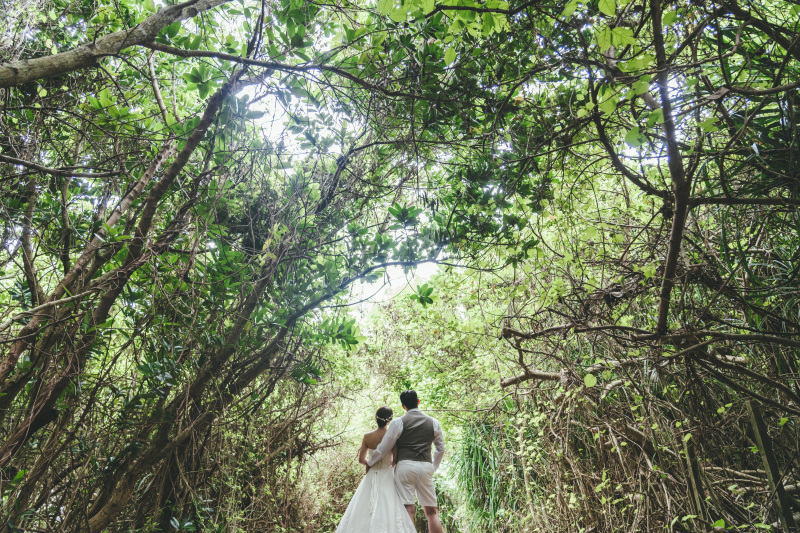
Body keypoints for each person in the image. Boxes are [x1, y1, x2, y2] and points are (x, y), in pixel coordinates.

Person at [367, 390, 445, 533]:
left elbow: (384, 447)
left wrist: (370, 462)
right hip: (425, 467)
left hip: (404, 468)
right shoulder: (434, 422)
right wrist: (433, 467)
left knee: (408, 510)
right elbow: (440, 448)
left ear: (403, 406)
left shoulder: (398, 423)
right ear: (418, 401)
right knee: (432, 512)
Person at [335, 406, 417, 533]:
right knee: (388, 508)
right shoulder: (393, 437)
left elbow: (361, 460)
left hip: (371, 475)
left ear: (376, 419)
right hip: (388, 476)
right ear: (389, 421)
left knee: (364, 508)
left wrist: (372, 463)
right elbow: (395, 461)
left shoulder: (367, 436)